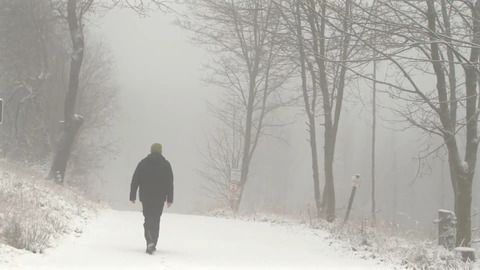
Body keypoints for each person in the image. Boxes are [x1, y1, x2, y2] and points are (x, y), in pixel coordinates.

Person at [130, 143, 174, 254]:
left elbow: (135, 179)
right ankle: (153, 241)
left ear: (151, 151)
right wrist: (170, 198)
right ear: (161, 151)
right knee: (156, 219)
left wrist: (133, 195)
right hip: (159, 197)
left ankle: (149, 241)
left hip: (146, 197)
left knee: (148, 218)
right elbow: (170, 183)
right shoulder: (166, 164)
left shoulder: (143, 163)